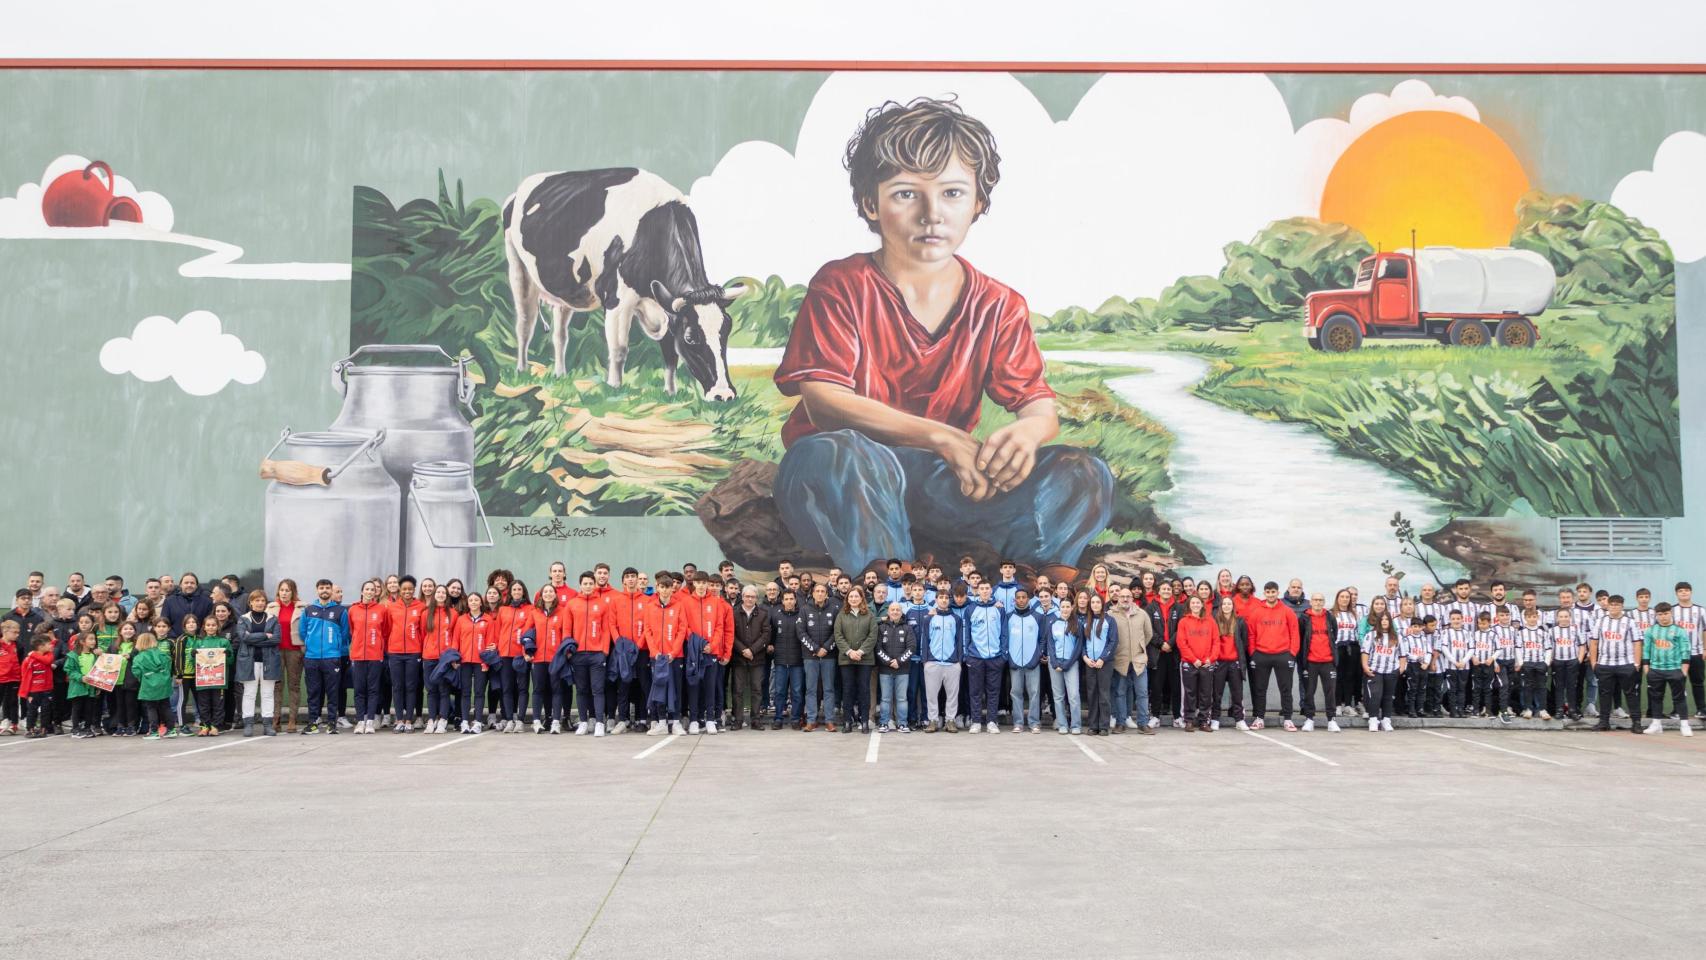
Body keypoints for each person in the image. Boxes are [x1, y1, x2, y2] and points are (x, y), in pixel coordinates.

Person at [770, 97, 1114, 574]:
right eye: (906, 194)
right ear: (871, 203)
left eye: (952, 193)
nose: (932, 213)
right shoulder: (841, 285)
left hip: (939, 482)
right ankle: (889, 585)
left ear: (978, 202)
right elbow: (824, 401)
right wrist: (942, 437)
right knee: (842, 454)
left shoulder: (998, 304)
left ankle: (1040, 580)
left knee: (1083, 473)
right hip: (840, 477)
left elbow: (1037, 404)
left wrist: (1028, 432)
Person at [1245, 581, 1300, 731]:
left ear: (1277, 592)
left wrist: (1292, 653)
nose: (1271, 595)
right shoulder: (1256, 612)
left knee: (1286, 689)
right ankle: (1259, 718)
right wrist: (1253, 653)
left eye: (1273, 592)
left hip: (1283, 655)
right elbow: (1251, 634)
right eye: (1268, 592)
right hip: (1261, 655)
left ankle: (1288, 719)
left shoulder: (1287, 611)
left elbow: (1295, 633)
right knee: (1260, 689)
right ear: (1264, 593)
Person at [297, 580, 349, 736]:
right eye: (321, 588)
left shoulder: (340, 611)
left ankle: (332, 723)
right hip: (312, 657)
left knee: (333, 692)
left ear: (331, 591)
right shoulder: (308, 610)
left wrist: (335, 647)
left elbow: (345, 634)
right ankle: (313, 722)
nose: (324, 590)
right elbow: (302, 632)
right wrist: (310, 645)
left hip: (332, 657)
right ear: (317, 590)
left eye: (327, 588)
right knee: (313, 691)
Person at [1588, 595, 1642, 733]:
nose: (1614, 607)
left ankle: (1636, 723)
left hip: (1626, 664)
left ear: (1622, 606)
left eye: (1617, 605)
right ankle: (1604, 722)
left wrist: (1636, 663)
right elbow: (1594, 642)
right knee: (1605, 694)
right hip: (1605, 664)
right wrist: (1594, 662)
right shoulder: (1600, 621)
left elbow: (1637, 643)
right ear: (1608, 605)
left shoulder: (1630, 622)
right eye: (1612, 604)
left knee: (1631, 693)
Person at [568, 574, 613, 737]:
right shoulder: (572, 604)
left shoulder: (602, 604)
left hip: (597, 655)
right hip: (578, 655)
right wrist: (569, 651)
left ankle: (600, 723)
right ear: (580, 585)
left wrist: (604, 651)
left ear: (594, 585)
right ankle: (584, 722)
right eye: (585, 583)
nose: (587, 586)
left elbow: (607, 629)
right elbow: (567, 629)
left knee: (598, 689)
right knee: (581, 690)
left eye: (590, 583)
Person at [1106, 584, 1154, 735]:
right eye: (1122, 596)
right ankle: (1120, 723)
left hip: (1139, 661)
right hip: (1120, 660)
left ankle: (1143, 723)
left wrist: (1139, 647)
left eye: (1128, 596)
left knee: (1142, 693)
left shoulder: (1142, 614)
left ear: (1132, 598)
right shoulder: (1111, 614)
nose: (1125, 599)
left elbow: (1148, 634)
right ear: (1117, 598)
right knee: (1119, 692)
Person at [233, 590, 281, 737]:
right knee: (249, 694)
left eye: (262, 600)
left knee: (267, 694)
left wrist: (253, 638)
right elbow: (243, 637)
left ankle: (268, 725)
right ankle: (248, 724)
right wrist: (265, 636)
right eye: (257, 600)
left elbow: (276, 639)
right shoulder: (243, 619)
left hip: (269, 661)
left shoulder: (273, 618)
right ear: (251, 602)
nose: (260, 603)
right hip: (249, 661)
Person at [1640, 603, 1692, 736]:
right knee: (1656, 698)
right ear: (1656, 615)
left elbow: (1685, 650)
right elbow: (1646, 650)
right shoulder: (1651, 630)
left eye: (1666, 613)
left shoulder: (1679, 630)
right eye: (1660, 614)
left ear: (1671, 613)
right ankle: (1656, 725)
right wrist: (1647, 669)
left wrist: (1683, 670)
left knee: (1679, 698)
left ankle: (1684, 725)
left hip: (1675, 669)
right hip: (1655, 670)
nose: (1663, 617)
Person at [834, 586, 877, 734]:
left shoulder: (869, 615)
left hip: (865, 659)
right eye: (851, 597)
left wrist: (860, 651)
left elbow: (873, 636)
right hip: (846, 659)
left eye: (856, 596)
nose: (853, 599)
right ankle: (847, 721)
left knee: (864, 690)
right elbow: (838, 636)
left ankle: (864, 721)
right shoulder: (841, 615)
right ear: (847, 599)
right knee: (848, 690)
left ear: (861, 598)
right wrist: (849, 651)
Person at [962, 581, 1004, 733]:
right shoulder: (971, 609)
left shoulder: (999, 609)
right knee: (975, 691)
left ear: (991, 590)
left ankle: (992, 721)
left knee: (993, 691)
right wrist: (968, 655)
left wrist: (1003, 654)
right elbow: (966, 634)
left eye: (987, 588)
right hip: (976, 657)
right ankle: (976, 721)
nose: (985, 591)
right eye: (982, 589)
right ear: (977, 591)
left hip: (995, 656)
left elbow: (1004, 632)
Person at [385, 576, 426, 733]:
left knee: (411, 686)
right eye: (404, 589)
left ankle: (409, 719)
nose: (407, 591)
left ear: (414, 589)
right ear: (399, 590)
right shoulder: (392, 607)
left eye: (410, 589)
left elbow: (422, 631)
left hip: (413, 652)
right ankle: (399, 719)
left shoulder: (421, 607)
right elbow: (387, 629)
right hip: (395, 652)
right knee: (397, 686)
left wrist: (419, 649)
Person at [1002, 588, 1045, 734]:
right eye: (1018, 597)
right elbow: (1005, 638)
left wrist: (1037, 656)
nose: (1021, 600)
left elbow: (1042, 639)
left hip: (1032, 662)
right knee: (1016, 692)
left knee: (1034, 693)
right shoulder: (1008, 617)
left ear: (1028, 599)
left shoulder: (1038, 617)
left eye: (1024, 597)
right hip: (1014, 662)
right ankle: (1018, 723)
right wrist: (1008, 656)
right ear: (1015, 600)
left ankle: (1034, 722)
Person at [455, 591, 499, 734]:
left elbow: (490, 642)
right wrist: (455, 659)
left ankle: (478, 721)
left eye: (476, 600)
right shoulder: (461, 620)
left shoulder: (488, 620)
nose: (473, 602)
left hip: (481, 662)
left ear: (481, 602)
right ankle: (465, 722)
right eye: (471, 600)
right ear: (468, 604)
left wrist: (486, 662)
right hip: (465, 661)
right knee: (465, 692)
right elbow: (455, 640)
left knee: (479, 692)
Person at [1295, 593, 1338, 732]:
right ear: (1311, 602)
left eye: (1321, 600)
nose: (1318, 602)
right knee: (1309, 692)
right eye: (1315, 600)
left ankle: (1331, 720)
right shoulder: (1304, 618)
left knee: (1330, 692)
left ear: (1324, 602)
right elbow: (1301, 639)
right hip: (1310, 662)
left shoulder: (1330, 617)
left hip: (1328, 661)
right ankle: (1309, 719)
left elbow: (1334, 635)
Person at [921, 591, 963, 733]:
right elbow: (925, 640)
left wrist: (959, 661)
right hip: (933, 662)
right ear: (936, 599)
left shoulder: (956, 619)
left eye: (946, 598)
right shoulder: (929, 618)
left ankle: (950, 721)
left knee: (952, 695)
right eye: (941, 598)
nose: (944, 600)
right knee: (931, 695)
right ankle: (932, 721)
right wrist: (925, 661)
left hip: (952, 663)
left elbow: (959, 641)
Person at [730, 585, 770, 731]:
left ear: (756, 599)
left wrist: (752, 650)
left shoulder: (763, 614)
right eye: (747, 596)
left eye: (752, 597)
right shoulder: (733, 613)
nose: (749, 599)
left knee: (757, 690)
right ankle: (738, 720)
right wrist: (742, 650)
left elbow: (766, 634)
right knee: (738, 690)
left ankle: (756, 720)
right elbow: (731, 634)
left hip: (757, 658)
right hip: (739, 658)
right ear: (743, 596)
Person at [1174, 595, 1217, 733]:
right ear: (1189, 605)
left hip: (1206, 664)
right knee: (1189, 693)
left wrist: (1211, 658)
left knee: (1206, 693)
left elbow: (1216, 641)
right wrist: (1193, 659)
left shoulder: (1210, 621)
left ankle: (1204, 721)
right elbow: (1181, 643)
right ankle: (1189, 720)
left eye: (1198, 602)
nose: (1196, 605)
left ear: (1202, 605)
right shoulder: (1183, 622)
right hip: (1190, 663)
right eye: (1193, 603)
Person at [800, 582, 839, 732]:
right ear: (813, 593)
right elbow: (801, 632)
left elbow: (837, 632)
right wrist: (816, 649)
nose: (820, 593)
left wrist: (826, 648)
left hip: (829, 656)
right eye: (818, 591)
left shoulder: (835, 610)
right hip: (810, 656)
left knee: (829, 689)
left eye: (823, 591)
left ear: (827, 594)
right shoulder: (804, 610)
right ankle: (811, 720)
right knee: (811, 689)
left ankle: (829, 721)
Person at [1210, 596, 1249, 732]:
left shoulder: (1240, 621)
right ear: (1220, 606)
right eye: (1224, 604)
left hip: (1234, 663)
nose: (1227, 606)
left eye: (1229, 604)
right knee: (1217, 693)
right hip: (1219, 662)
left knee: (1237, 694)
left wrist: (1239, 659)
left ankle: (1239, 720)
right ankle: (1215, 719)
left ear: (1233, 606)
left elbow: (1244, 643)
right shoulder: (1214, 621)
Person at [875, 601, 916, 733]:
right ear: (888, 612)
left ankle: (902, 723)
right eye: (892, 610)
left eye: (898, 610)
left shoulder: (908, 628)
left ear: (901, 612)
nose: (895, 612)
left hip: (902, 670)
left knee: (902, 698)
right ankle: (884, 723)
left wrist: (898, 661)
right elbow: (878, 648)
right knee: (885, 698)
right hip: (885, 670)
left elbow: (911, 648)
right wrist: (888, 662)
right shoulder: (881, 628)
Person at [769, 590, 806, 731]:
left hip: (797, 661)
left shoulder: (801, 615)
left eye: (792, 599)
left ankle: (796, 719)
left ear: (795, 600)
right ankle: (778, 719)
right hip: (780, 661)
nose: (789, 601)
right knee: (779, 692)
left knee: (796, 692)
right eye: (786, 599)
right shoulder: (775, 615)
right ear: (782, 601)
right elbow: (771, 636)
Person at [1046, 594, 1083, 735]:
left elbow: (1078, 647)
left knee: (1073, 695)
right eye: (1063, 607)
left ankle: (1075, 725)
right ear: (1059, 608)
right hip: (1055, 664)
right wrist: (1054, 662)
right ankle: (1062, 724)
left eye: (1068, 606)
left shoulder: (1077, 624)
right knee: (1058, 696)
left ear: (1072, 608)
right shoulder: (1053, 624)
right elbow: (1050, 645)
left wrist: (1067, 664)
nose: (1065, 609)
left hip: (1071, 664)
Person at [190, 616, 231, 737]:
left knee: (218, 704)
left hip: (219, 680)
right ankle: (204, 726)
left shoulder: (223, 642)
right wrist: (193, 656)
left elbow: (230, 661)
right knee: (203, 704)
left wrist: (227, 655)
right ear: (204, 627)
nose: (211, 627)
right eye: (208, 625)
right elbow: (193, 663)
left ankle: (215, 726)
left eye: (213, 625)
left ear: (217, 626)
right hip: (203, 680)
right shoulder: (198, 642)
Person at [1361, 613, 1402, 733]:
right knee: (1375, 695)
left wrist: (1400, 669)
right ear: (1378, 622)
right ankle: (1373, 719)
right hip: (1375, 670)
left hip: (1391, 670)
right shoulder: (1371, 635)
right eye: (1382, 619)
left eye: (1387, 619)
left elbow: (1402, 654)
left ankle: (1386, 719)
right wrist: (1365, 666)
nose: (1384, 621)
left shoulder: (1396, 637)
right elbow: (1365, 652)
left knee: (1388, 696)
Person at [132, 631, 174, 739]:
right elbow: (169, 665)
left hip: (148, 684)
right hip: (164, 682)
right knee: (166, 706)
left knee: (151, 708)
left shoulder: (139, 657)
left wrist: (145, 679)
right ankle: (171, 729)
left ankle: (154, 731)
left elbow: (136, 671)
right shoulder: (162, 653)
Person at [1513, 609, 1553, 721]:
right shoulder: (1521, 633)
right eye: (1529, 617)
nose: (1532, 619)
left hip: (1540, 662)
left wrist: (1546, 662)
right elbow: (1518, 648)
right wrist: (1521, 662)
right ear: (1525, 618)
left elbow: (1548, 648)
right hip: (1527, 663)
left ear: (1537, 618)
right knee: (1527, 687)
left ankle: (1542, 710)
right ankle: (1528, 709)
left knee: (1542, 687)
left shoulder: (1543, 633)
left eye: (1534, 617)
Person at [1433, 611, 1473, 719]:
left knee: (1462, 689)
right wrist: (1454, 662)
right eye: (1453, 619)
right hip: (1451, 666)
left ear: (1462, 619)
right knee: (1452, 689)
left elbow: (1472, 648)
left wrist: (1464, 661)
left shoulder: (1467, 633)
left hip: (1464, 666)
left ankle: (1461, 709)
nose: (1456, 621)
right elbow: (1444, 648)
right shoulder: (1446, 632)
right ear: (1450, 620)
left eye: (1458, 618)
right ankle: (1453, 710)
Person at [64, 630, 101, 738]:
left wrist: (98, 685)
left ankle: (87, 728)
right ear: (82, 641)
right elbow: (69, 670)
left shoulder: (94, 655)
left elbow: (100, 670)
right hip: (77, 687)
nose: (93, 641)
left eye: (94, 639)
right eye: (90, 639)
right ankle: (75, 729)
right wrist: (81, 678)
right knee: (77, 708)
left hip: (91, 687)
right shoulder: (73, 655)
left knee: (89, 709)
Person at [20, 635, 56, 738]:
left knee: (46, 710)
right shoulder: (28, 660)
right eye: (49, 644)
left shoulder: (49, 655)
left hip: (47, 689)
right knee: (32, 710)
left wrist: (33, 654)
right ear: (40, 646)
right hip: (33, 690)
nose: (51, 645)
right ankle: (30, 729)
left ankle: (43, 729)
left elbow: (47, 661)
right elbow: (24, 673)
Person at [0, 621, 18, 735]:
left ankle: (13, 723)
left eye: (18, 632)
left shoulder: (18, 645)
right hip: (1, 678)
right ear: (5, 631)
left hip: (14, 678)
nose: (17, 635)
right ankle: (4, 720)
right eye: (14, 632)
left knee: (12, 701)